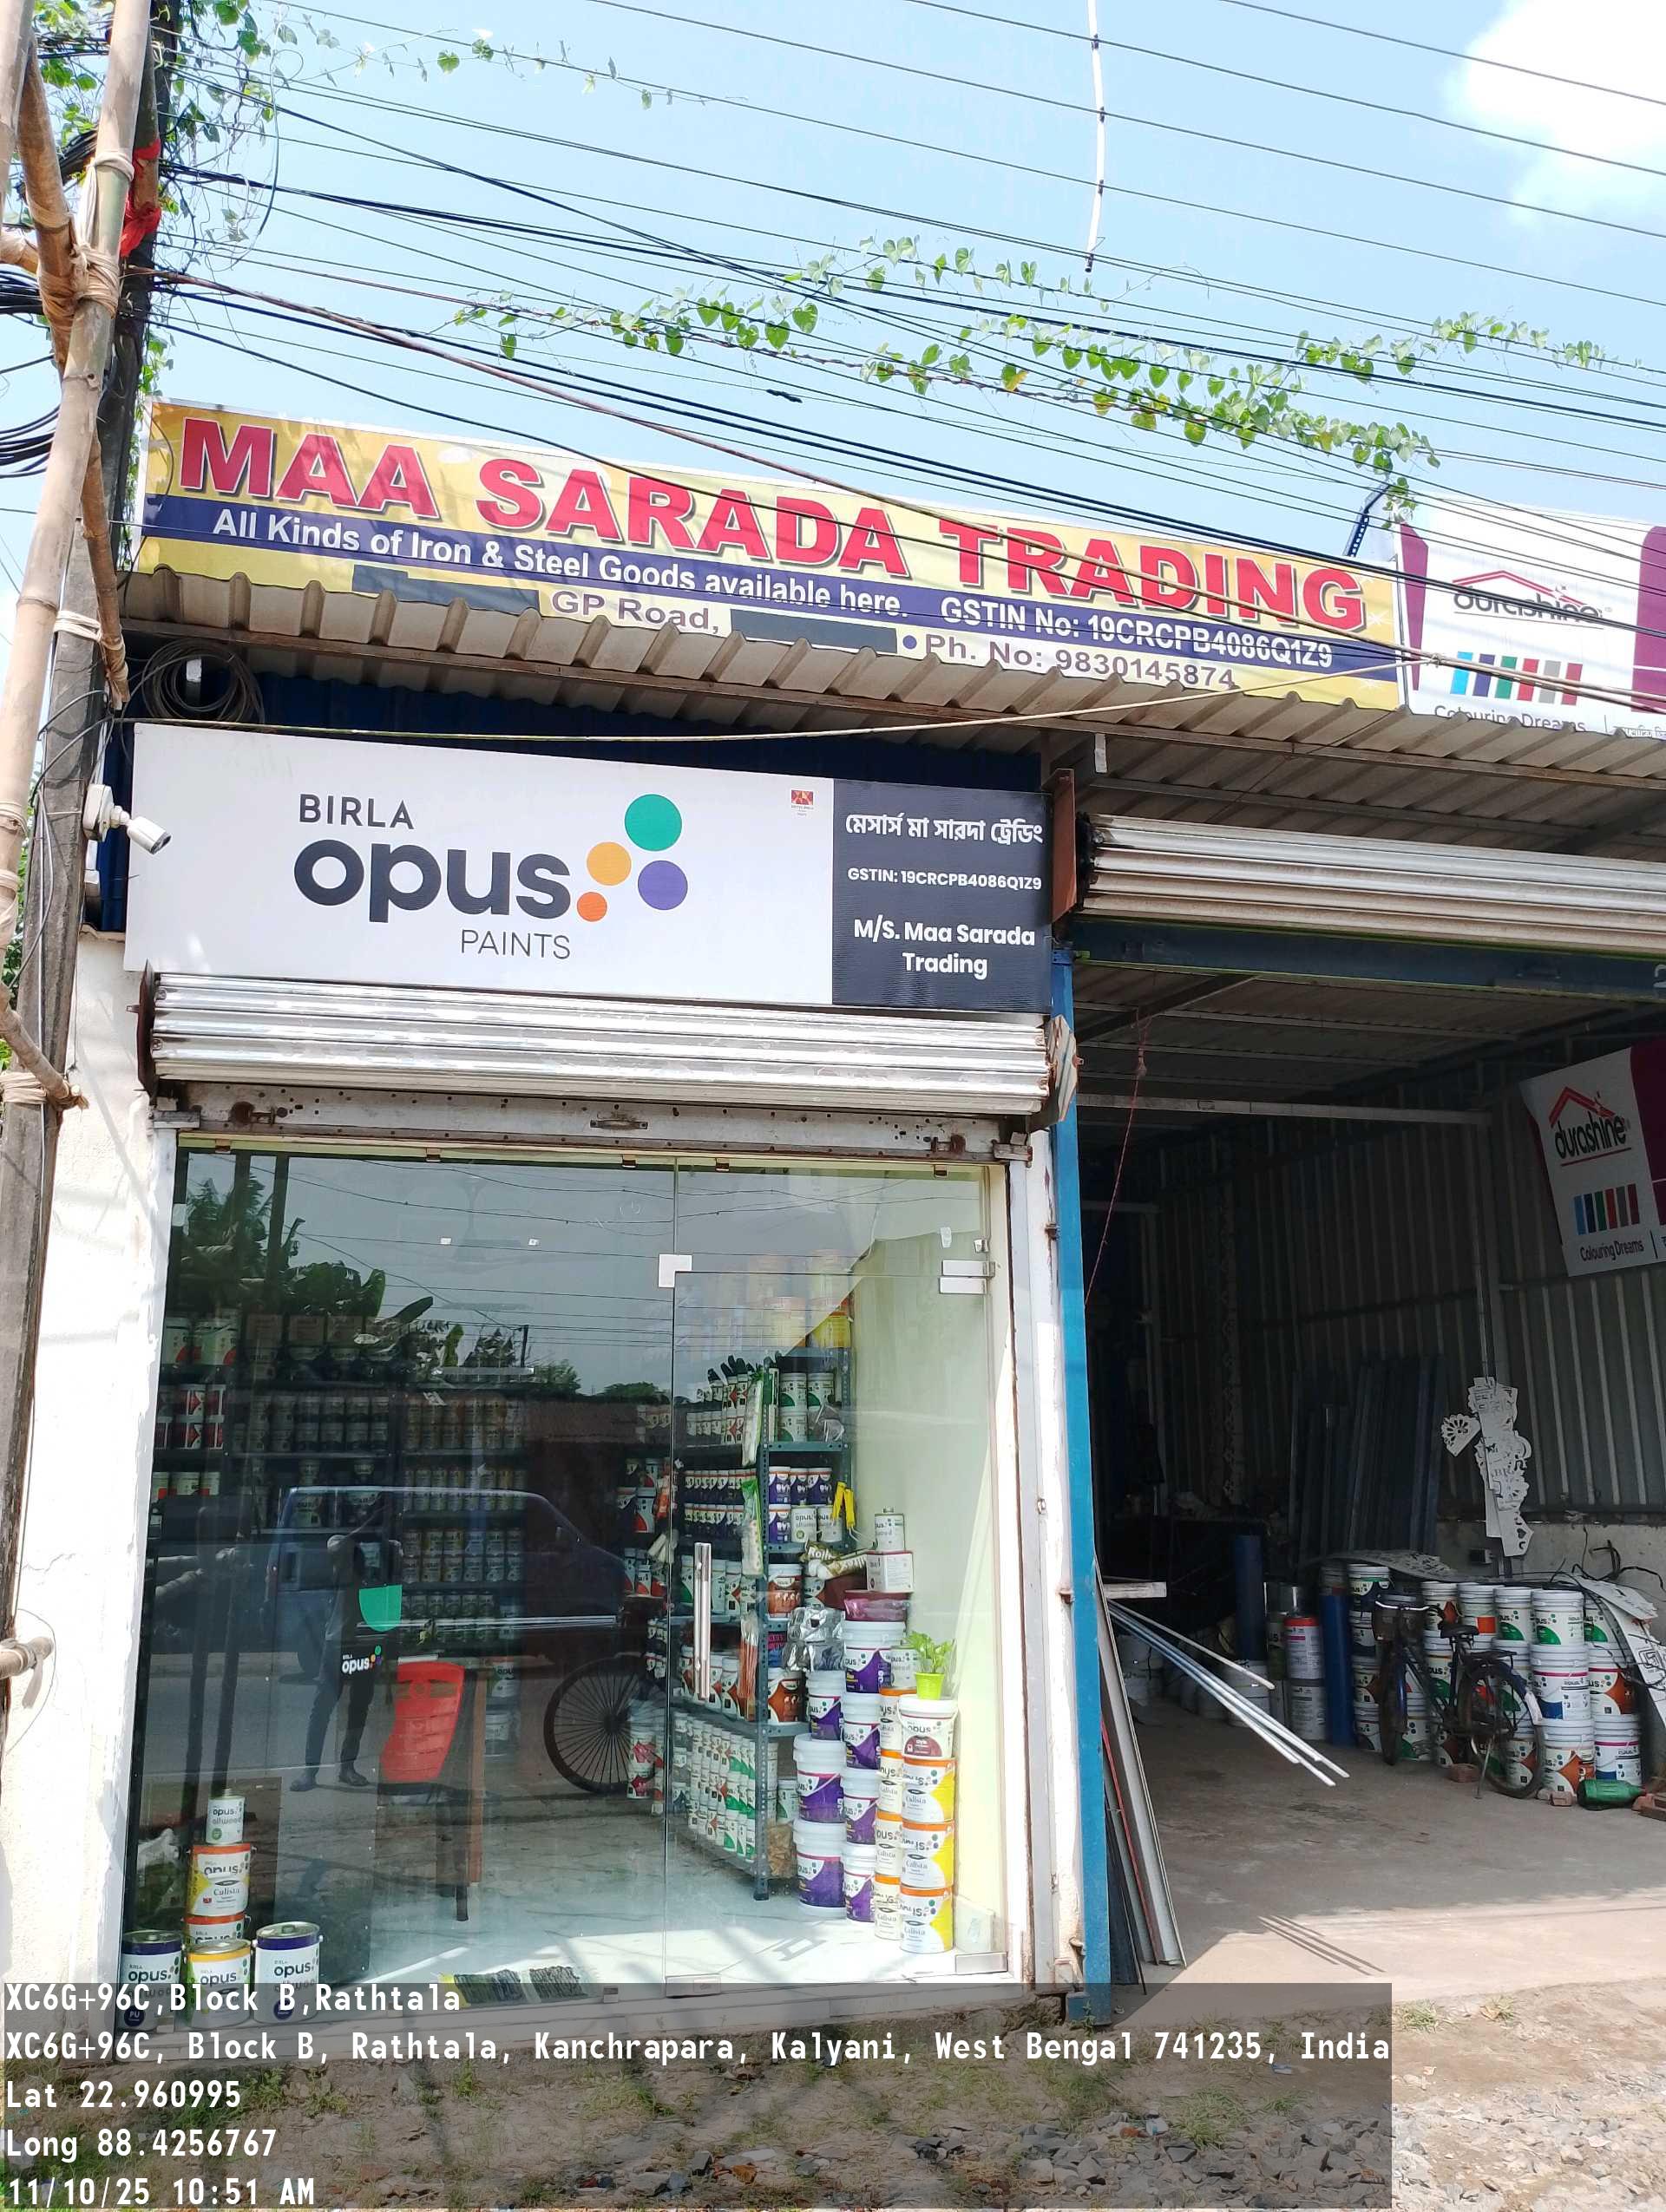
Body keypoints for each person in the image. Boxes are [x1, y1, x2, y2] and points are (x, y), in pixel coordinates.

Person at [292, 1495, 400, 1791]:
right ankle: (310, 1770)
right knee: (322, 1708)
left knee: (359, 1708)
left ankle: (347, 1766)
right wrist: (371, 1524)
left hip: (367, 1642)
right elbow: (337, 1545)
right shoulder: (345, 1550)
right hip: (338, 1644)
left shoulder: (388, 1550)